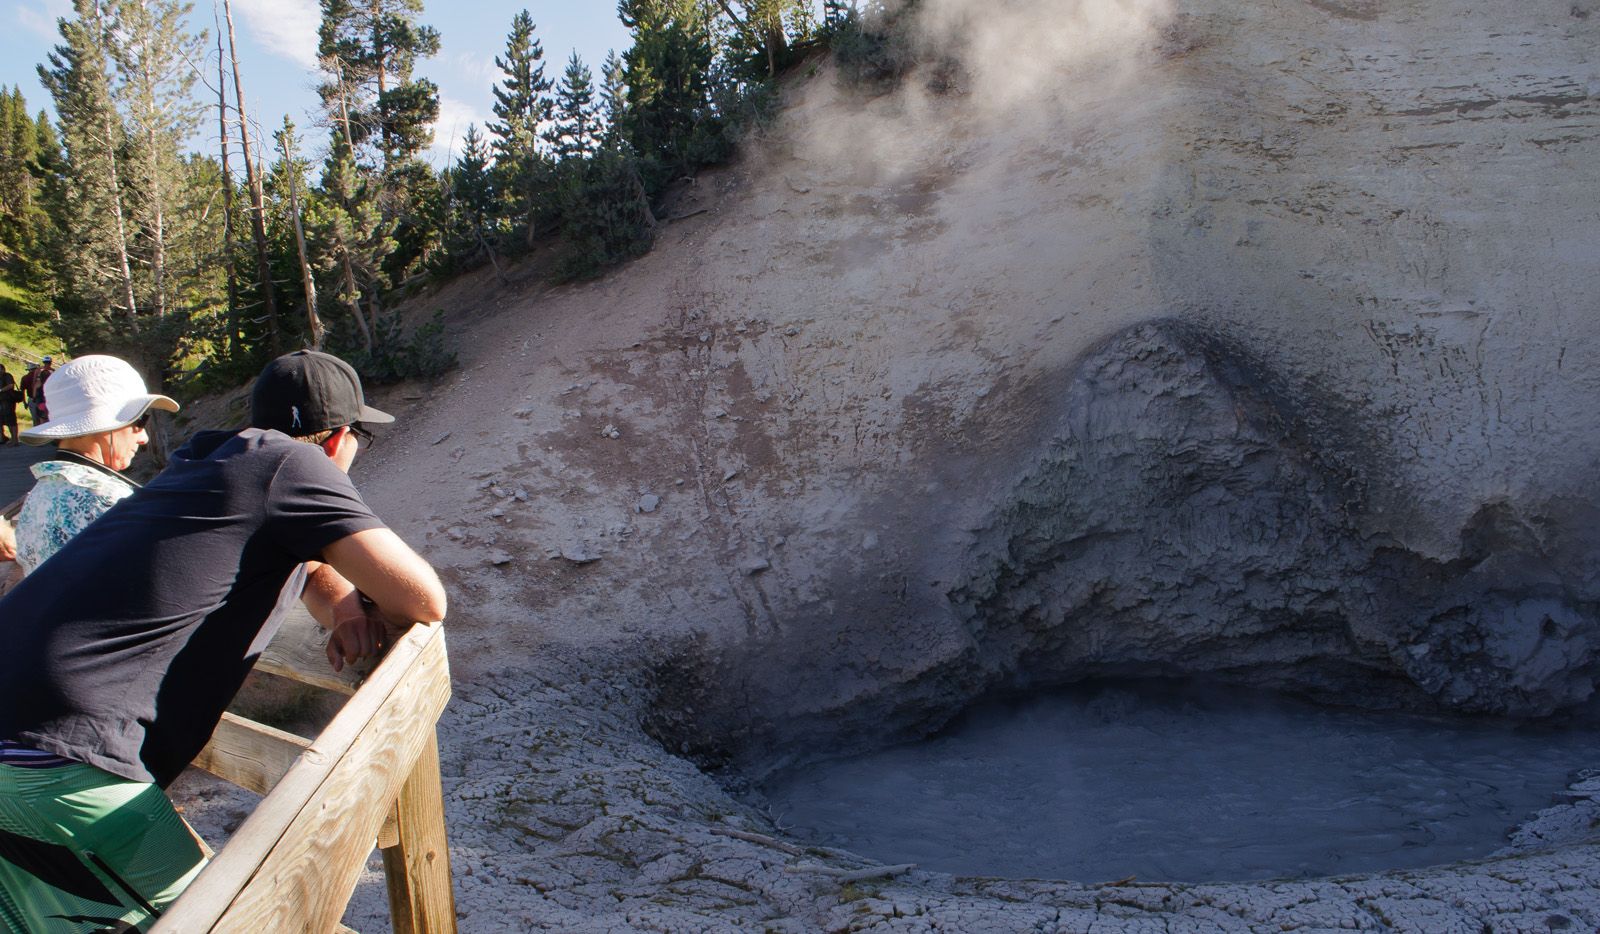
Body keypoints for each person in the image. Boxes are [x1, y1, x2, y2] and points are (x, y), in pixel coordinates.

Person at [0, 349, 446, 932]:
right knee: (228, 921)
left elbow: (305, 557)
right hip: (59, 753)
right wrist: (365, 607)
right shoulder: (297, 466)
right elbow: (424, 599)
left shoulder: (203, 464)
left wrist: (340, 605)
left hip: (25, 740)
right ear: (338, 438)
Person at [11, 355, 179, 576]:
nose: (144, 438)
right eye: (139, 422)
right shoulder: (107, 502)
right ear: (104, 424)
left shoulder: (39, 495)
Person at [0, 366, 19, 443]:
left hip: (7, 401)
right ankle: (2, 438)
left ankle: (14, 439)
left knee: (11, 421)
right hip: (1, 401)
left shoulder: (7, 376)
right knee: (1, 421)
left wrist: (0, 390)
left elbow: (11, 385)